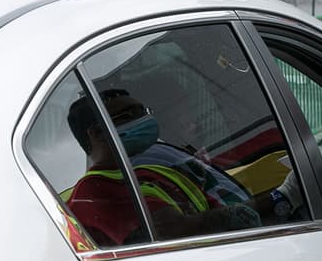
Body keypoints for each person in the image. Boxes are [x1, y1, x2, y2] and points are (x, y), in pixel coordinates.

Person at [64, 88, 307, 246]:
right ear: (97, 133)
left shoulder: (154, 170)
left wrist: (285, 199)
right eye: (129, 115)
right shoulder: (96, 193)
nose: (144, 120)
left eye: (143, 112)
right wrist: (285, 195)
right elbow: (175, 232)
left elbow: (224, 212)